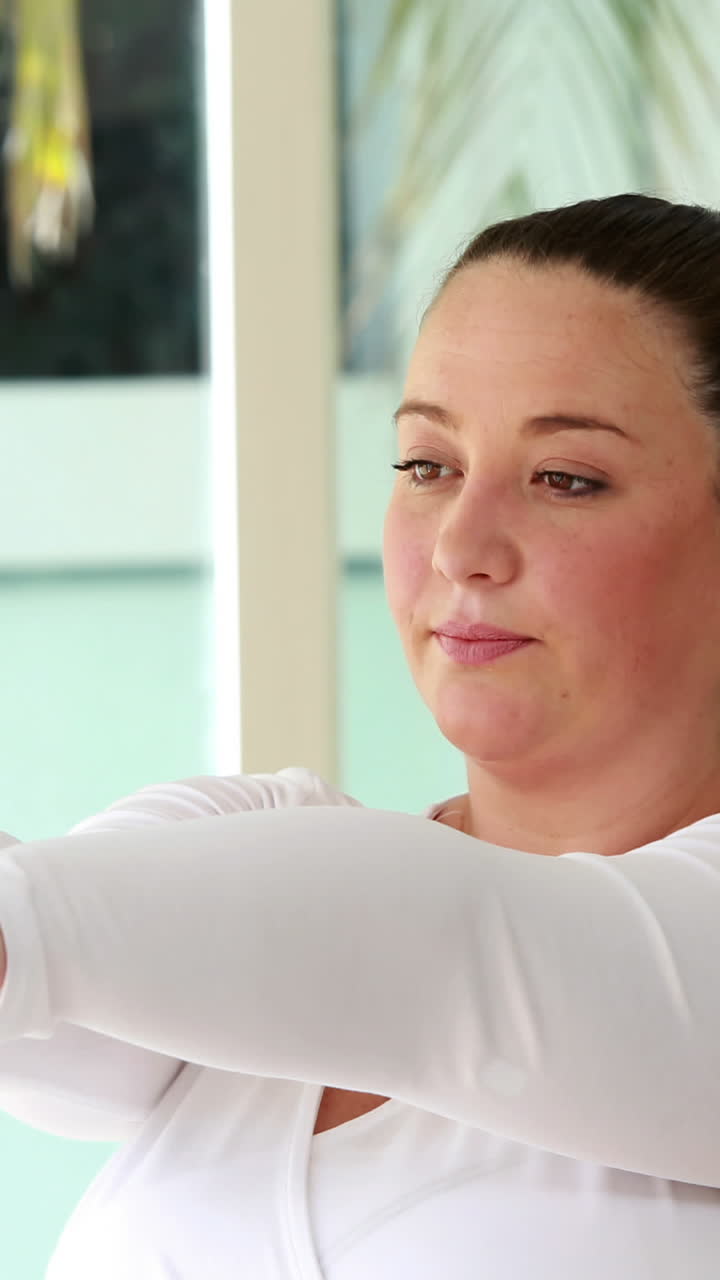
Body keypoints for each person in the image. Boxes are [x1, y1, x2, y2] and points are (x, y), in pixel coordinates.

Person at [2, 192, 720, 1277]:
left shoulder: (390, 927)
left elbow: (445, 948)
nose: (462, 546)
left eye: (565, 478)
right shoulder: (260, 836)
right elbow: (56, 1042)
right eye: (428, 465)